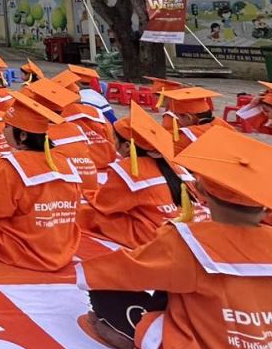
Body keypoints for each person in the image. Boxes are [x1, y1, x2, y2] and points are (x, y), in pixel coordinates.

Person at [77, 127, 272, 349]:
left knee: (107, 291)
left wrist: (86, 274)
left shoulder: (190, 240)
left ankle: (147, 339)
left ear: (200, 194)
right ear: (269, 208)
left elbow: (118, 271)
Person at [0, 91, 82, 271]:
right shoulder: (64, 161)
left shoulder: (12, 165)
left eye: (7, 126)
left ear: (22, 136)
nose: (2, 130)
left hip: (26, 245)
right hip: (59, 241)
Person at [78, 104, 191, 249]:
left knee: (89, 212)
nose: (113, 143)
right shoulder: (174, 166)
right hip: (182, 228)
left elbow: (104, 204)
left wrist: (88, 192)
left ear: (126, 146)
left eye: (114, 139)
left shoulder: (130, 170)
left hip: (154, 235)